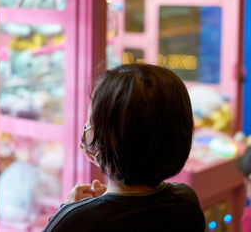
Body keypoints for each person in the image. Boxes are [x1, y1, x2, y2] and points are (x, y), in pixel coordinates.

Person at [43, 64, 205, 232]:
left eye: (91, 120)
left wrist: (67, 211)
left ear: (107, 139)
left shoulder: (77, 221)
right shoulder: (186, 201)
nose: (86, 127)